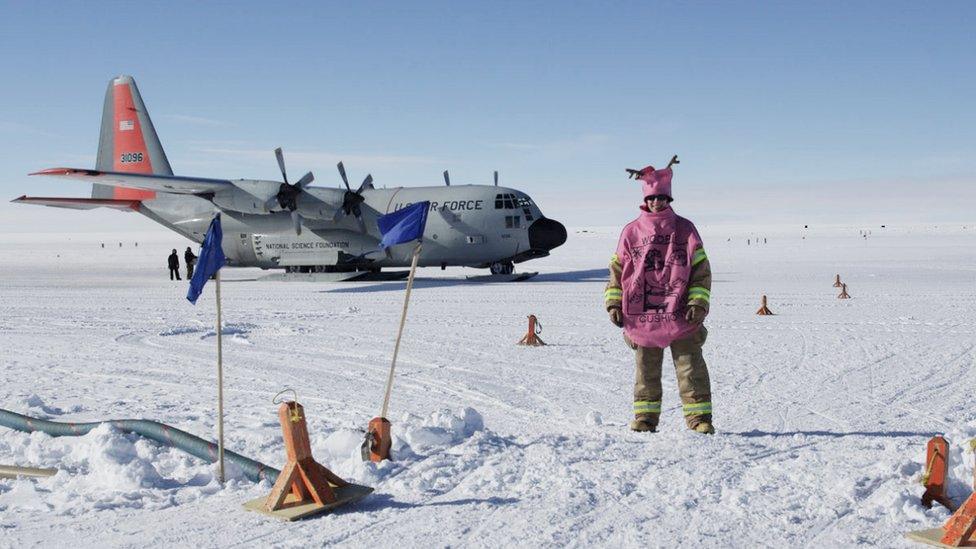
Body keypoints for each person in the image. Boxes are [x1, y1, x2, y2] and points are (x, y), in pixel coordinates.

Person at [607, 155, 714, 434]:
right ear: (646, 200)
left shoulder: (685, 229)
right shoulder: (631, 232)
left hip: (680, 312)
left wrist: (697, 302)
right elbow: (617, 271)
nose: (658, 203)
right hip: (643, 314)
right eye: (653, 198)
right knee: (646, 372)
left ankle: (699, 420)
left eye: (663, 199)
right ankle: (645, 419)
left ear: (669, 200)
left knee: (690, 369)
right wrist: (614, 304)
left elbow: (701, 269)